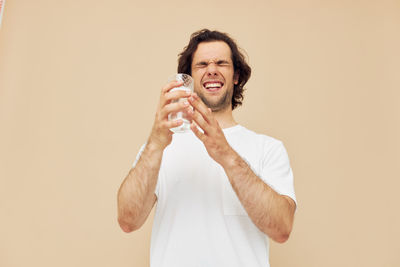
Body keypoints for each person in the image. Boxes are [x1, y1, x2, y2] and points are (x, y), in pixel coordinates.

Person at [117, 29, 297, 267]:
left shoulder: (268, 148)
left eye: (221, 63)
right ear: (188, 79)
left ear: (235, 76)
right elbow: (128, 220)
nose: (212, 69)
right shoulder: (161, 147)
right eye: (202, 64)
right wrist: (155, 142)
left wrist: (226, 154)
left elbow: (282, 228)